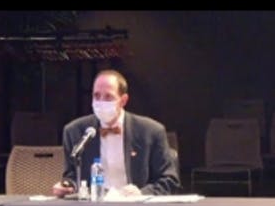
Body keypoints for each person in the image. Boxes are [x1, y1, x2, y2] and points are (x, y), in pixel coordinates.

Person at [51, 69, 180, 198]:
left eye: (108, 97)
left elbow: (169, 180)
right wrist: (66, 187)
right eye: (96, 96)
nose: (101, 102)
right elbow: (72, 177)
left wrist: (141, 193)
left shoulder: (151, 131)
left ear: (123, 100)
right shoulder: (75, 131)